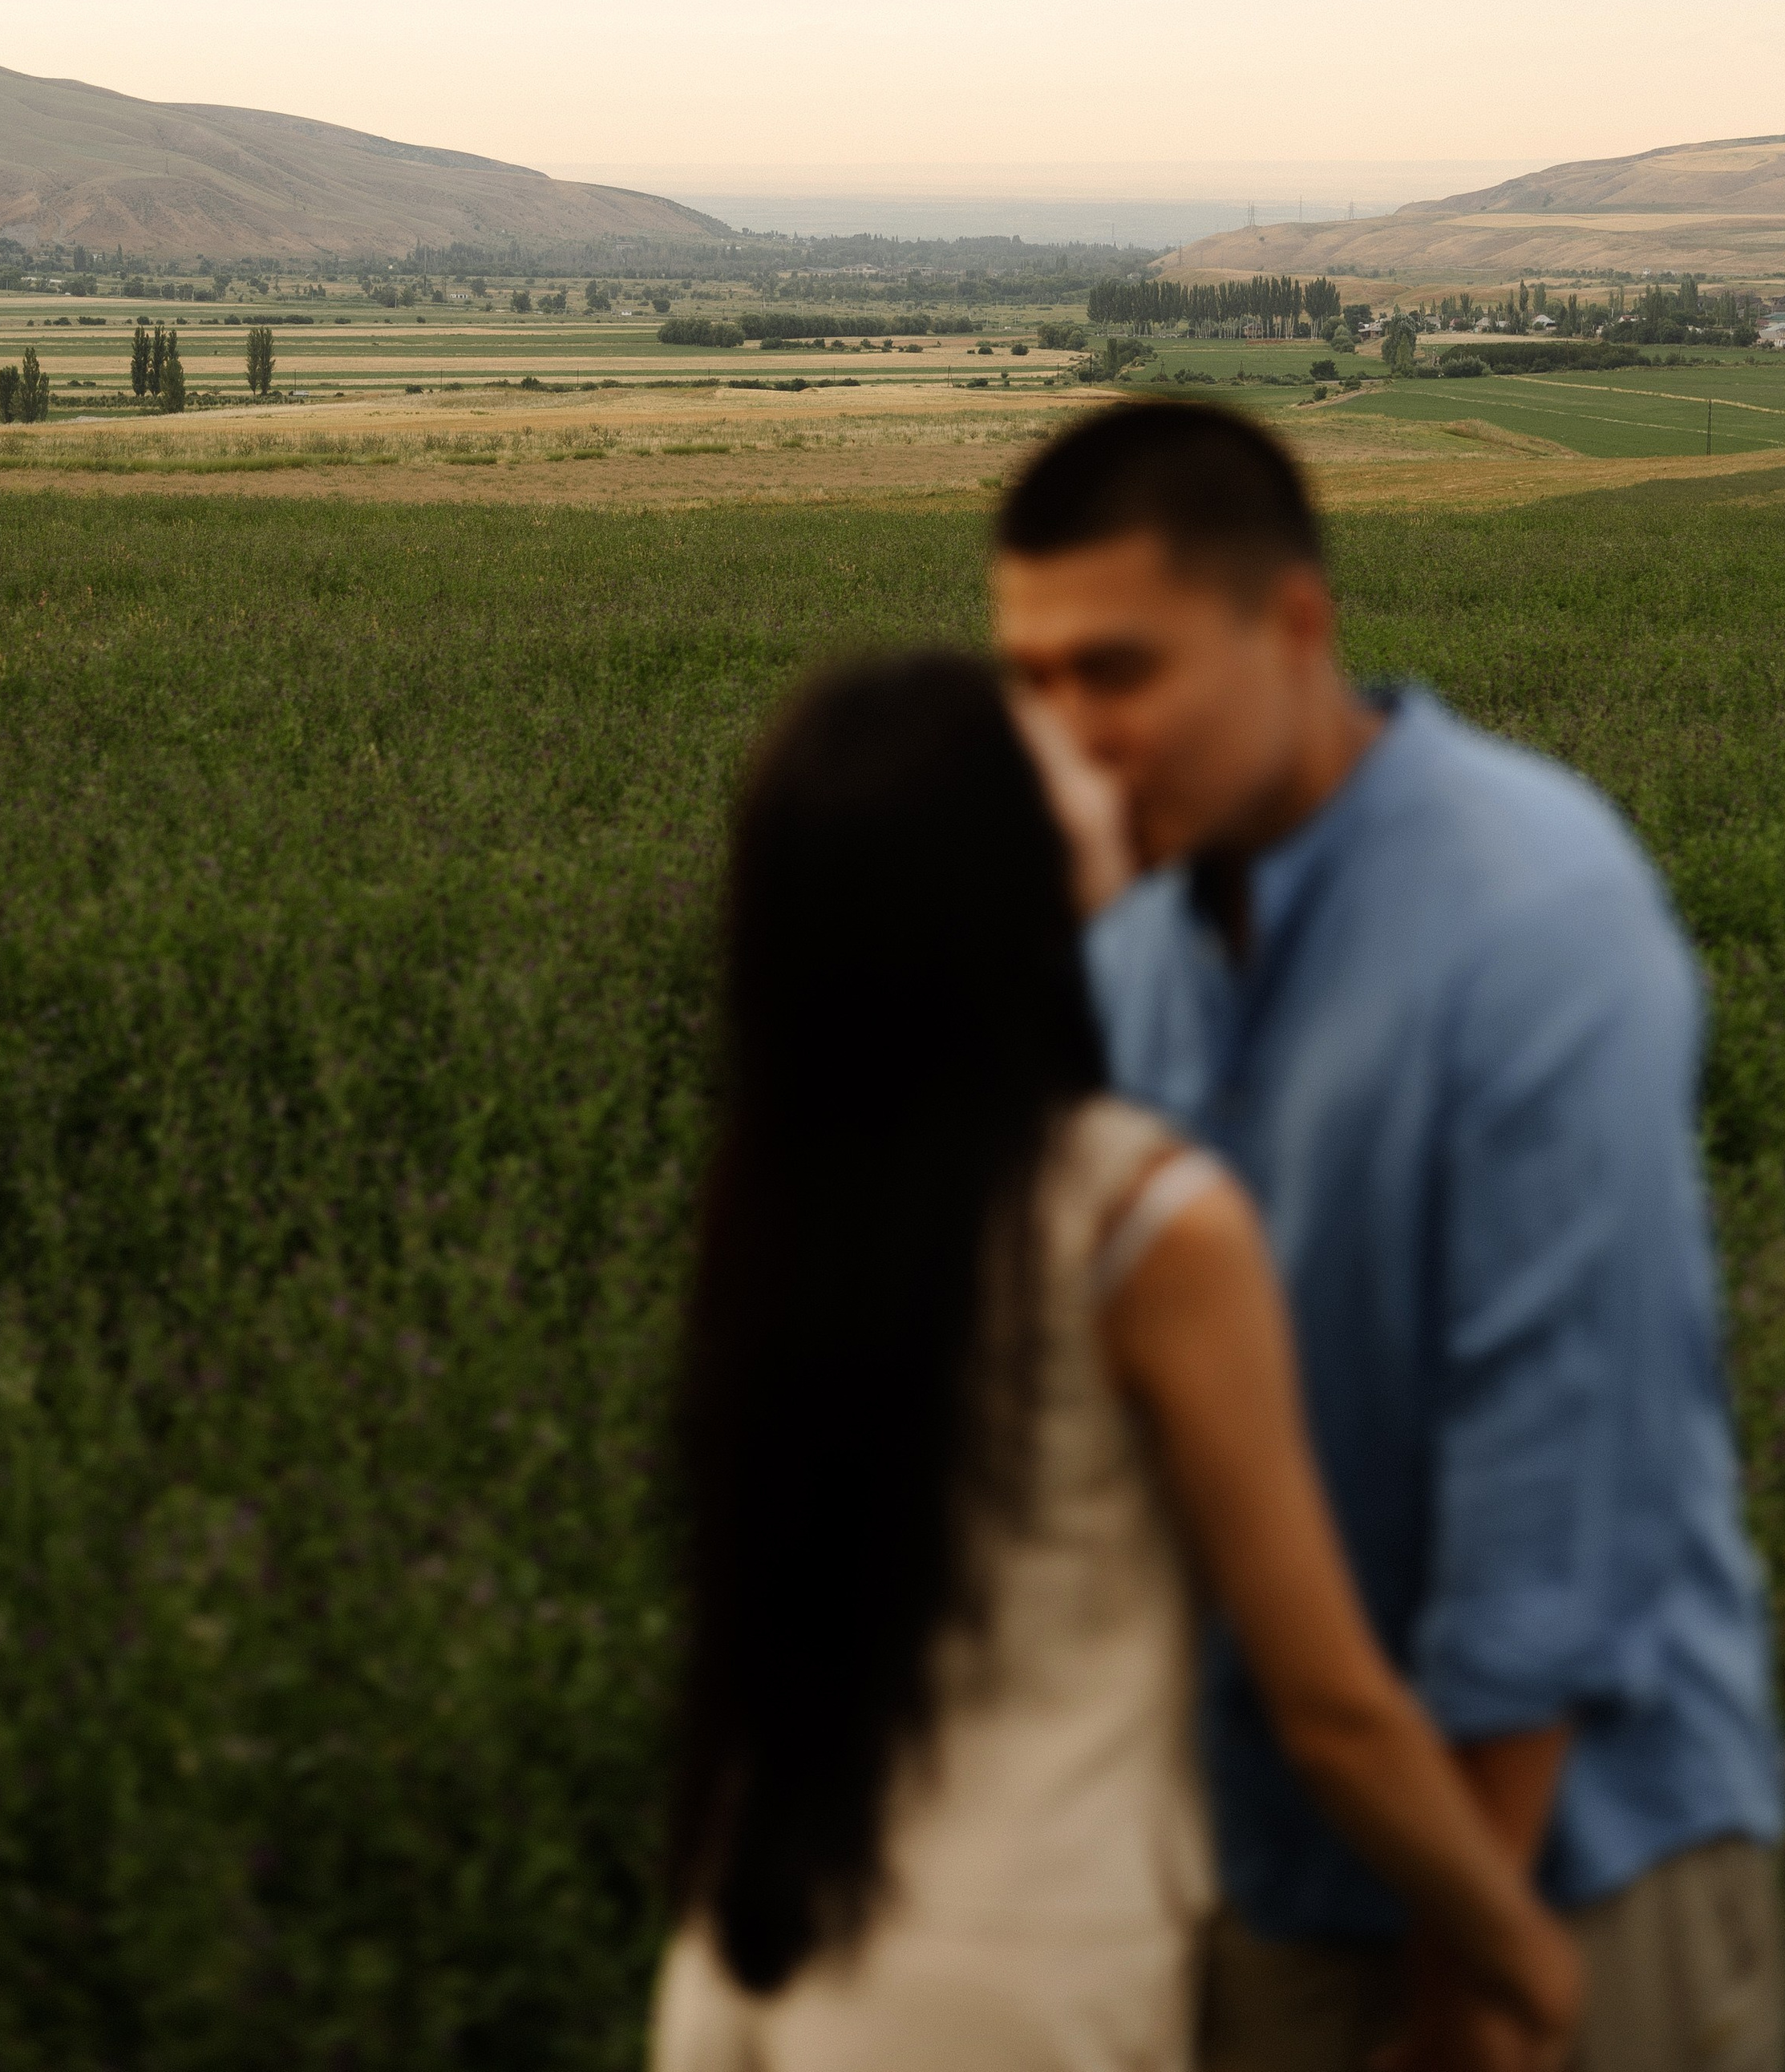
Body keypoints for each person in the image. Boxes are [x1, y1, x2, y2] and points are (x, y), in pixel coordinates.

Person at [994, 399, 1785, 2072]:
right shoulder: (1126, 941)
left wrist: (1467, 1988)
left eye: (1118, 671)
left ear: (1293, 626)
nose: (1072, 736)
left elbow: (1545, 1524)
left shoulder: (1530, 920)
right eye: (1033, 681)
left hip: (1566, 1877)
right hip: (1257, 1861)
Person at [652, 653, 1579, 2072]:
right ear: (999, 865)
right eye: (1061, 765)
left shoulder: (786, 1195)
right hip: (1023, 1967)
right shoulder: (1144, 1221)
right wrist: (1522, 1957)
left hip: (748, 1944)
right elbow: (1331, 1710)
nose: (1110, 771)